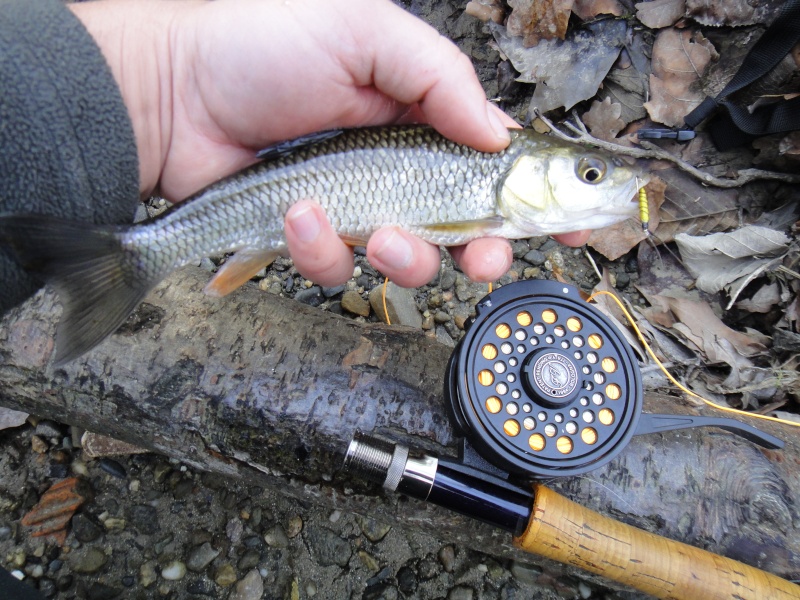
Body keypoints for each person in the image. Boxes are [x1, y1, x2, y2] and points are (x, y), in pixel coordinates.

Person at [0, 0, 589, 315]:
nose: (595, 184)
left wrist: (166, 76)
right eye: (589, 174)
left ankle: (138, 251)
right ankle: (136, 254)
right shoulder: (492, 167)